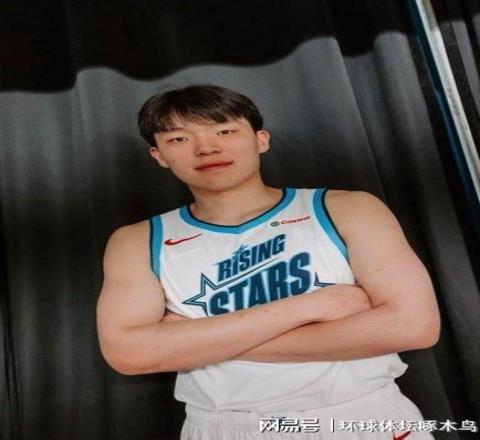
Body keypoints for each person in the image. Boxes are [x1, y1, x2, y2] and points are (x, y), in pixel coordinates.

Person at [97, 85, 440, 439]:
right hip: (228, 427)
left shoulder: (347, 208)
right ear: (159, 156)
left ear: (261, 139)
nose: (207, 148)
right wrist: (311, 306)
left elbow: (413, 326)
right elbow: (129, 355)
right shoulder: (137, 241)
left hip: (362, 416)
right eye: (179, 139)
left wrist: (195, 343)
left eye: (225, 131)